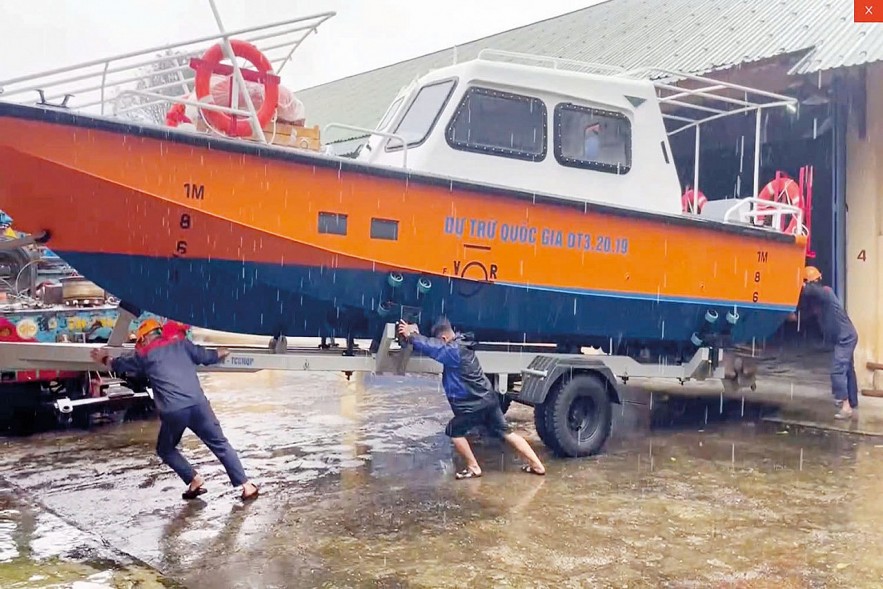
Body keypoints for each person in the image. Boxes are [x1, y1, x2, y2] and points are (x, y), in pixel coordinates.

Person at [90, 318, 259, 501]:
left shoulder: (145, 355)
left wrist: (104, 358)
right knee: (220, 444)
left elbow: (119, 365)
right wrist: (222, 352)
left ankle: (194, 479)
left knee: (165, 449)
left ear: (145, 338)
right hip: (198, 405)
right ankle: (247, 486)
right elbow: (207, 357)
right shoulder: (182, 344)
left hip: (174, 411)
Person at [397, 317, 546, 479]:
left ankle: (473, 467)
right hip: (489, 399)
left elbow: (434, 348)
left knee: (454, 431)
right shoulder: (463, 345)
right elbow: (433, 346)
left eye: (440, 341)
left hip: (474, 404)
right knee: (507, 432)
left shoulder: (454, 350)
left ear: (444, 338)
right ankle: (537, 465)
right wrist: (417, 335)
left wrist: (412, 336)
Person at [795, 266, 859, 419]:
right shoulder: (818, 304)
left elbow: (810, 291)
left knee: (837, 370)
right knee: (848, 369)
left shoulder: (826, 293)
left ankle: (846, 407)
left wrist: (797, 283)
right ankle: (852, 401)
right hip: (843, 337)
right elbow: (804, 315)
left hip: (845, 338)